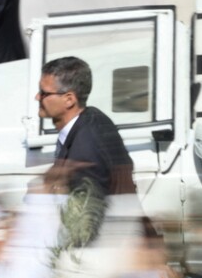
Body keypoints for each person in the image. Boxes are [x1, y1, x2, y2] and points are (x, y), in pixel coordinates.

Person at [37, 56, 135, 197]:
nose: (37, 97)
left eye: (43, 93)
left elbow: (84, 215)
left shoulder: (83, 156)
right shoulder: (94, 117)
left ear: (69, 100)